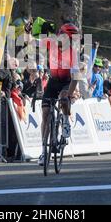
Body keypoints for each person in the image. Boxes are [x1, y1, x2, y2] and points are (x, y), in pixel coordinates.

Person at [38, 22, 82, 166]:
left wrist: (69, 95)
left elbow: (75, 78)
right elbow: (32, 42)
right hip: (53, 81)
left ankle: (65, 119)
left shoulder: (73, 54)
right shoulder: (51, 43)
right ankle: (44, 152)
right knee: (45, 112)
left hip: (66, 81)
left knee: (64, 98)